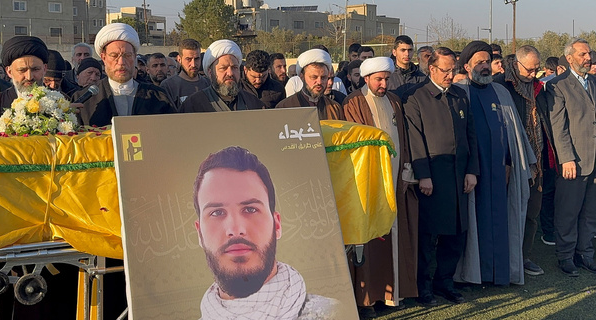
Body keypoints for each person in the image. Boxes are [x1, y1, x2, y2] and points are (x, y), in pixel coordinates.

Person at [193, 146, 340, 320]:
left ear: (277, 225)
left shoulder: (335, 314)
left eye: (250, 209)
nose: (235, 229)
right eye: (217, 212)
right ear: (199, 233)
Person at [454, 42, 536, 286]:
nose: (485, 66)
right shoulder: (459, 92)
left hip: (501, 173)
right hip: (471, 174)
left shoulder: (501, 93)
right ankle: (471, 275)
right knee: (473, 223)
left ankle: (500, 273)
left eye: (487, 61)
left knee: (502, 222)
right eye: (479, 61)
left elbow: (515, 134)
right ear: (467, 65)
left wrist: (512, 163)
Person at [342, 57, 418, 316]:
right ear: (366, 79)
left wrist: (406, 170)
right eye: (378, 79)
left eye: (386, 79)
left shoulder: (395, 101)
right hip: (368, 183)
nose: (383, 83)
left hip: (396, 179)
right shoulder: (353, 103)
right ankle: (369, 299)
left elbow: (404, 139)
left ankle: (394, 293)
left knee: (396, 234)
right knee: (371, 238)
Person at [403, 47, 478, 306]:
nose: (449, 75)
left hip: (459, 177)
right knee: (427, 237)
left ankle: (445, 282)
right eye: (445, 70)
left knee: (456, 235)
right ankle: (422, 286)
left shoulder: (460, 96)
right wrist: (423, 175)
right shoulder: (416, 98)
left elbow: (471, 136)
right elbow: (415, 140)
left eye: (452, 70)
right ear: (431, 69)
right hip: (433, 179)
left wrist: (472, 170)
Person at [546, 38, 596, 276]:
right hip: (573, 161)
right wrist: (566, 158)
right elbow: (559, 126)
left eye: (589, 54)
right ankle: (565, 256)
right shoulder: (557, 85)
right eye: (583, 54)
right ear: (570, 57)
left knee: (591, 212)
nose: (588, 58)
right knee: (568, 211)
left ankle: (585, 254)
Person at [493, 45, 552, 277]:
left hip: (536, 160)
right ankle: (503, 258)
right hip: (510, 161)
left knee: (531, 213)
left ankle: (524, 256)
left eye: (537, 69)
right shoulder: (499, 86)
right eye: (530, 69)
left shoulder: (539, 88)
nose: (533, 73)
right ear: (516, 64)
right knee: (507, 212)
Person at [73, 23, 176, 127]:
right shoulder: (83, 100)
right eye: (114, 56)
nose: (121, 62)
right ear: (104, 58)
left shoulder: (158, 96)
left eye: (127, 55)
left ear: (135, 57)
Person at [181, 40, 264, 113]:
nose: (230, 73)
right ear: (210, 72)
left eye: (234, 68)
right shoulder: (193, 104)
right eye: (223, 68)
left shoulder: (253, 103)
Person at [276, 49, 344, 121]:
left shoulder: (335, 108)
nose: (319, 82)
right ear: (302, 77)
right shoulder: (285, 107)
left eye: (323, 77)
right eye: (314, 77)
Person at [160, 39, 210, 108]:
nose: (193, 64)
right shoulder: (168, 86)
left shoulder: (209, 84)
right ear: (179, 59)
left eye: (197, 59)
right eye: (188, 59)